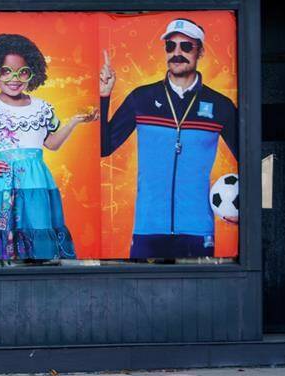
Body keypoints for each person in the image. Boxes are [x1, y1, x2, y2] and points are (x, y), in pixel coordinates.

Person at [99, 17, 238, 259]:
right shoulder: (141, 98)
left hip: (197, 229)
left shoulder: (221, 105)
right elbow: (103, 147)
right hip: (147, 227)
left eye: (186, 47)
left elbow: (255, 157)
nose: (177, 53)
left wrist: (246, 209)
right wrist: (104, 97)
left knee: (196, 296)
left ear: (200, 51)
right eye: (170, 46)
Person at [0, 34, 94, 262]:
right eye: (6, 71)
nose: (14, 79)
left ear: (32, 73)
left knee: (37, 235)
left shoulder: (42, 107)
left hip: (36, 184)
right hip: (0, 185)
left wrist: (74, 121)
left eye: (23, 72)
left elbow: (52, 144)